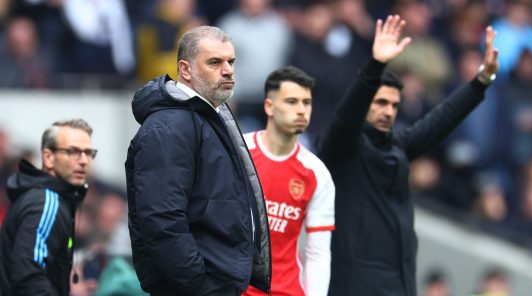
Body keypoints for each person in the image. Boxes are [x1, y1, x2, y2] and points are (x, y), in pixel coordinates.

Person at [317, 15, 499, 296]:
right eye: (380, 103)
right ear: (365, 102)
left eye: (394, 105)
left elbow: (441, 119)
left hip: (400, 284)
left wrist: (481, 81)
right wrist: (374, 66)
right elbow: (345, 118)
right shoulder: (342, 148)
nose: (389, 111)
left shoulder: (396, 145)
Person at [125, 26, 271, 296]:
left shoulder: (209, 117)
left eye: (231, 61)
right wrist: (199, 283)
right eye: (215, 62)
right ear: (186, 69)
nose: (227, 70)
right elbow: (162, 219)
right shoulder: (168, 126)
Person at [242, 66, 335, 296]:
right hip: (231, 286)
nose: (302, 110)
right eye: (292, 101)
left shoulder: (317, 173)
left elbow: (318, 252)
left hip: (285, 291)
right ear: (269, 106)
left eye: (307, 103)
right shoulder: (238, 152)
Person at [0, 119, 96, 295]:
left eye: (88, 153)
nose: (83, 160)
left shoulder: (46, 197)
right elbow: (28, 275)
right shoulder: (46, 203)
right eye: (73, 152)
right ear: (48, 157)